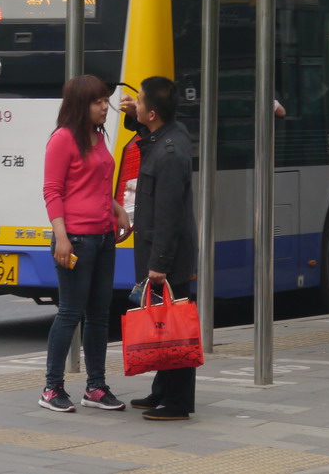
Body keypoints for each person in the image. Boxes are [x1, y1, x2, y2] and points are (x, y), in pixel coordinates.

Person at [40, 75, 131, 414]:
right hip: (75, 239)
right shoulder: (62, 140)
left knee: (98, 316)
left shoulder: (97, 137)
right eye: (97, 102)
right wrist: (61, 238)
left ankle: (95, 387)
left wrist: (117, 210)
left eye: (106, 100)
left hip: (104, 237)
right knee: (70, 313)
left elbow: (97, 186)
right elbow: (53, 191)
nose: (105, 106)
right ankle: (52, 387)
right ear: (81, 104)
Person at [120, 76, 199, 420]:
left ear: (152, 113)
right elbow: (145, 140)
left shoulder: (168, 155)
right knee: (163, 324)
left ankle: (178, 403)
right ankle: (162, 392)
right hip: (163, 252)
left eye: (138, 102)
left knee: (175, 329)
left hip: (168, 255)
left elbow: (169, 214)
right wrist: (133, 118)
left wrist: (160, 263)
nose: (133, 104)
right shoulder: (170, 134)